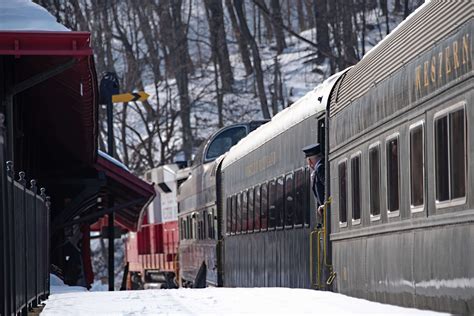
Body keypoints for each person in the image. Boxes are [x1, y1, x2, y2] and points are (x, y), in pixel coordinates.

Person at [302, 143, 325, 216]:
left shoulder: (320, 168)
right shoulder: (320, 167)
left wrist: (324, 205)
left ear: (309, 161)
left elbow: (329, 186)